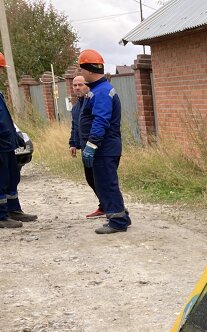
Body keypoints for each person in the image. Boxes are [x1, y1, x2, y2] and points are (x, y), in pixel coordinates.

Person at [77, 49, 131, 234]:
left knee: (107, 183)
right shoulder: (98, 90)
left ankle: (118, 221)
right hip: (104, 148)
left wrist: (92, 145)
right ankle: (121, 215)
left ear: (89, 69)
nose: (81, 73)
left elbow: (101, 120)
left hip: (104, 148)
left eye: (82, 69)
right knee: (105, 183)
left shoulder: (101, 92)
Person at [0, 51, 37, 229]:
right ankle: (1, 216)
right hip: (1, 145)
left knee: (12, 177)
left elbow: (5, 119)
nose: (1, 72)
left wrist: (15, 136)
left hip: (7, 144)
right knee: (1, 179)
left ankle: (13, 209)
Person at [69, 75, 103, 219]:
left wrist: (93, 143)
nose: (77, 88)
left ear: (87, 85)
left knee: (102, 179)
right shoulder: (76, 107)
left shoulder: (92, 101)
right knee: (90, 178)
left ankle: (113, 206)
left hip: (96, 146)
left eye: (80, 84)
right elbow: (75, 126)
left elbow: (100, 122)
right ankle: (104, 205)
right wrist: (73, 143)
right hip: (84, 147)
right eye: (75, 85)